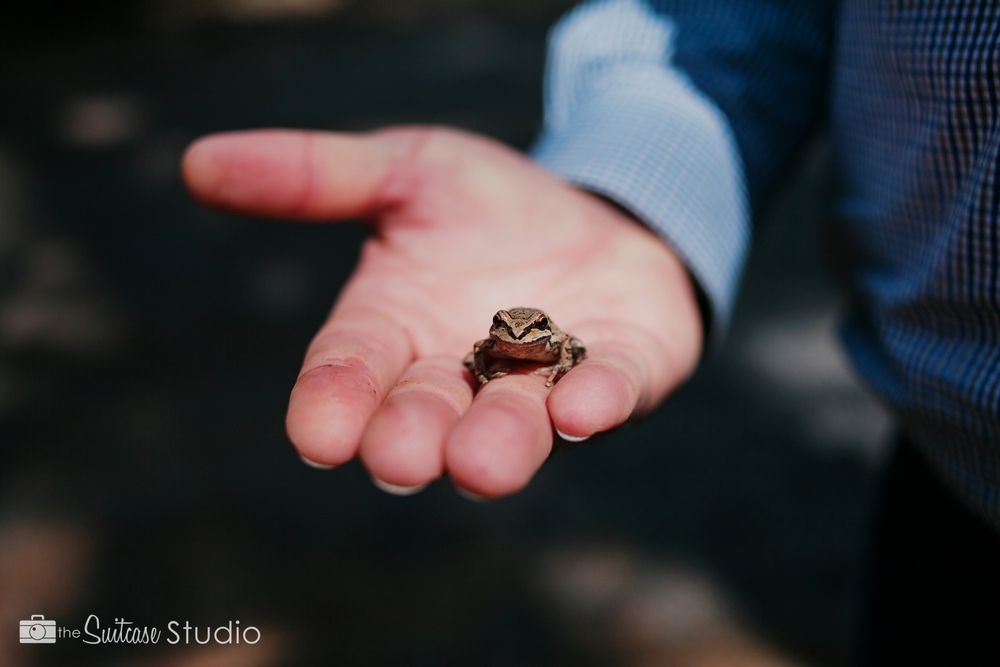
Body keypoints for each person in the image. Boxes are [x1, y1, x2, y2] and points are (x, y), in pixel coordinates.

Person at [182, 0, 1000, 662]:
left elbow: (560, 343)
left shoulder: (552, 338)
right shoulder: (509, 337)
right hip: (951, 480)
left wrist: (557, 344)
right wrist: (628, 187)